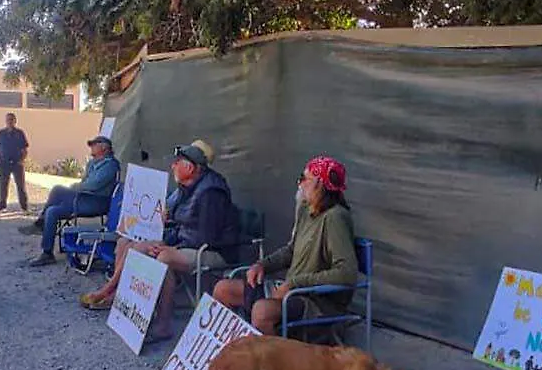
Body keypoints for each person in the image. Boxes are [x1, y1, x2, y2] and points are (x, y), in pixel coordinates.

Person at [79, 140, 241, 340]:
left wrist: (171, 245)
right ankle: (116, 295)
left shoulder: (211, 193)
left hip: (214, 251)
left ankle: (163, 324)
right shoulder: (188, 187)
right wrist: (168, 231)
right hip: (189, 242)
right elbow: (184, 223)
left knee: (163, 257)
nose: (172, 166)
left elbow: (206, 235)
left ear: (190, 168)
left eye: (177, 162)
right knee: (133, 246)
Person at [213, 156, 359, 335]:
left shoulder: (336, 217)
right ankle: (233, 348)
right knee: (223, 290)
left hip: (317, 300)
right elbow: (291, 251)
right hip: (294, 290)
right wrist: (262, 265)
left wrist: (295, 283)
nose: (300, 184)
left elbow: (346, 273)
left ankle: (274, 353)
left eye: (304, 178)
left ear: (320, 184)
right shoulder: (307, 211)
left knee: (262, 312)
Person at [24, 135, 120, 267]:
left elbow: (93, 185)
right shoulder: (92, 163)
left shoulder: (110, 165)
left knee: (58, 190)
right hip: (82, 199)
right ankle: (47, 253)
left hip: (97, 202)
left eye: (94, 144)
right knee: (52, 211)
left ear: (104, 147)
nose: (91, 147)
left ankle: (40, 223)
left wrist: (75, 187)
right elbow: (85, 183)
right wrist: (78, 188)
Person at [0, 112, 29, 212]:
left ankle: (24, 206)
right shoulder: (1, 133)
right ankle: (2, 204)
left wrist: (22, 160)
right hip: (4, 163)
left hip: (17, 163)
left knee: (20, 185)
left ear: (15, 121)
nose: (10, 121)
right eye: (8, 119)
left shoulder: (20, 133)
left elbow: (25, 149)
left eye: (12, 120)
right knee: (3, 185)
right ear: (5, 121)